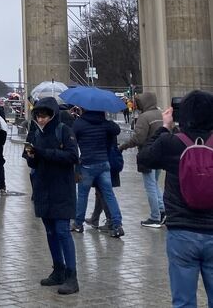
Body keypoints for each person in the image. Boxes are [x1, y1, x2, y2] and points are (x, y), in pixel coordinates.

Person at [137, 90, 213, 308]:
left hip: (182, 232)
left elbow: (144, 158)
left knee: (183, 302)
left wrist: (164, 127)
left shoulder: (171, 143)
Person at [24, 96, 80, 295]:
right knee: (50, 232)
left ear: (53, 115)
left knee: (62, 231)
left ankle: (72, 276)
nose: (41, 120)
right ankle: (58, 269)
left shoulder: (64, 130)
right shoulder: (35, 134)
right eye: (38, 116)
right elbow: (34, 162)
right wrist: (31, 156)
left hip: (61, 189)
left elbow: (73, 156)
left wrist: (43, 153)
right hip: (42, 188)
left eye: (45, 116)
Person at [71, 108, 125, 237]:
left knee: (83, 195)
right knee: (109, 195)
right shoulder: (104, 123)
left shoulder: (79, 123)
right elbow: (116, 130)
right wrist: (106, 121)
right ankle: (117, 225)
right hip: (104, 164)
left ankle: (78, 224)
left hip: (87, 165)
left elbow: (72, 141)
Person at [119, 90, 166, 227]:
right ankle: (162, 211)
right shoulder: (160, 114)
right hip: (160, 154)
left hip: (147, 154)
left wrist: (123, 146)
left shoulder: (144, 117)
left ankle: (155, 217)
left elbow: (139, 138)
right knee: (155, 184)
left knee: (150, 186)